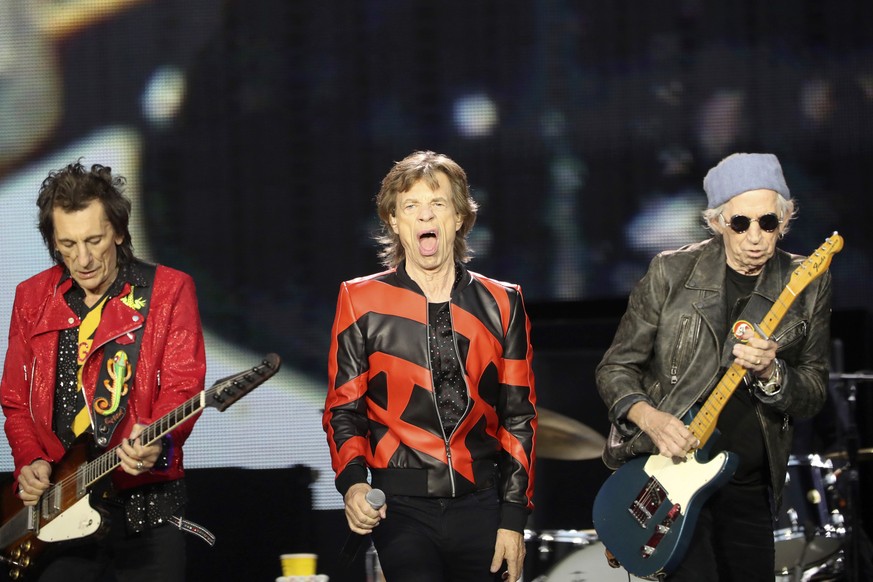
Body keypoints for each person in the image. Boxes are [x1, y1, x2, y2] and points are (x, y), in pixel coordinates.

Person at [595, 152, 832, 581]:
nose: (756, 236)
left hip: (748, 486)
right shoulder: (670, 272)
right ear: (718, 221)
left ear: (784, 220)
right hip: (672, 475)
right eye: (741, 223)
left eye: (769, 223)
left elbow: (814, 390)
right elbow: (615, 369)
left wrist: (771, 374)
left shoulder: (807, 283)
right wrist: (651, 418)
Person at [322, 150, 537, 582]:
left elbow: (519, 417)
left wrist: (513, 518)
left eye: (438, 204)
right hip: (401, 508)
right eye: (411, 206)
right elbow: (344, 410)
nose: (426, 216)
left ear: (458, 218)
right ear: (394, 222)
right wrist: (354, 484)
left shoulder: (502, 302)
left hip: (482, 502)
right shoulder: (361, 300)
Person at [1, 161, 207, 581]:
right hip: (60, 510)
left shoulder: (168, 290)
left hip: (146, 509)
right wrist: (30, 460)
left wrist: (159, 439)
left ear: (117, 231)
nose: (84, 258)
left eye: (94, 240)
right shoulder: (31, 297)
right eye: (68, 244)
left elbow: (184, 386)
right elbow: (15, 401)